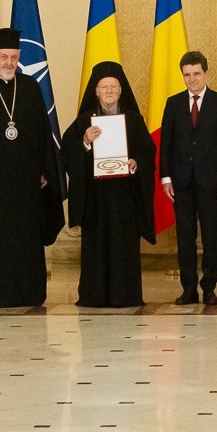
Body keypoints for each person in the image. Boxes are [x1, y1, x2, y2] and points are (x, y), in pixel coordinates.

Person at [0, 28, 63, 307]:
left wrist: (45, 169)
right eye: (3, 56)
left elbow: (43, 131)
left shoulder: (30, 88)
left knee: (25, 241)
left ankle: (29, 293)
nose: (8, 62)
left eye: (13, 57)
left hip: (26, 182)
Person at [63, 61, 156, 307]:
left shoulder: (134, 120)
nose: (109, 91)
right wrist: (84, 140)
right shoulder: (85, 121)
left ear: (121, 89)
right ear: (96, 91)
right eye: (104, 87)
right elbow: (66, 151)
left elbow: (148, 152)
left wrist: (136, 162)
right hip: (96, 199)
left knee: (123, 246)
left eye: (113, 86)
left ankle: (126, 295)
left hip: (124, 198)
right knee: (96, 247)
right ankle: (95, 296)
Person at [158, 50, 217, 305]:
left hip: (211, 182)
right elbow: (166, 143)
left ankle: (209, 286)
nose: (192, 79)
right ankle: (188, 288)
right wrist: (165, 178)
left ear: (205, 73)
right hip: (181, 182)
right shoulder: (173, 103)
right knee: (185, 236)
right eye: (187, 75)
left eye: (196, 74)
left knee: (212, 236)